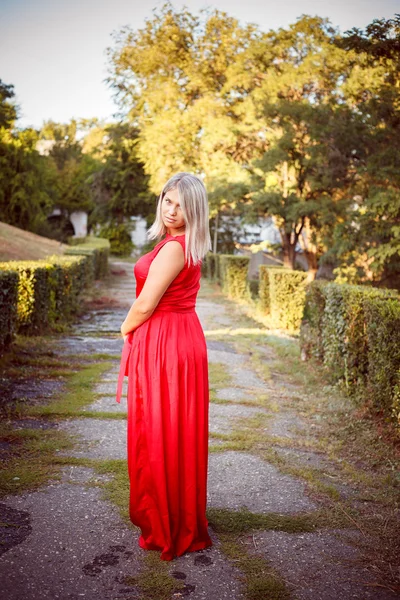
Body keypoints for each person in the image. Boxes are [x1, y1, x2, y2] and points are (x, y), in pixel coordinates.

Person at [115, 172, 213, 561]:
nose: (172, 211)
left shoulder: (175, 248)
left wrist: (124, 329)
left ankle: (169, 522)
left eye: (181, 205)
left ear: (195, 211)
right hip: (178, 339)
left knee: (159, 430)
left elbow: (145, 304)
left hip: (167, 344)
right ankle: (176, 516)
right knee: (173, 429)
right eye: (167, 201)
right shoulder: (179, 243)